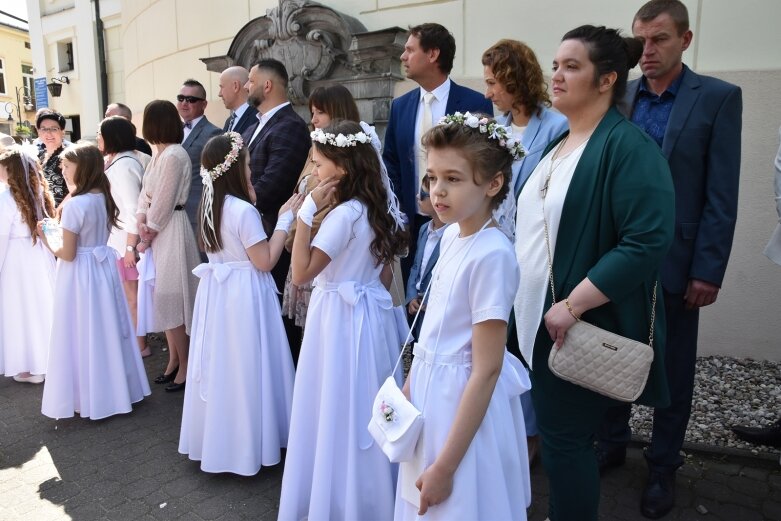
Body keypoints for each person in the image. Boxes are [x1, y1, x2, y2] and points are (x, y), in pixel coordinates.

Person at [514, 26, 675, 521]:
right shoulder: (560, 143)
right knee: (562, 443)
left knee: (565, 444)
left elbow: (646, 240)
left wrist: (573, 305)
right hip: (535, 316)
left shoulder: (628, 147)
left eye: (572, 66)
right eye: (556, 64)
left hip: (572, 324)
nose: (556, 75)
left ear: (606, 79)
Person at [596, 2, 743, 518]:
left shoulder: (719, 99)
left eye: (659, 39)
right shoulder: (621, 95)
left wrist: (708, 268)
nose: (647, 51)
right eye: (641, 41)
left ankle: (662, 467)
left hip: (680, 262)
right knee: (613, 352)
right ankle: (612, 442)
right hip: (620, 257)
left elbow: (722, 194)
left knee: (673, 369)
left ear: (686, 38)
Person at [394, 113, 530, 520]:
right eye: (432, 178)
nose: (437, 191)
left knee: (454, 502)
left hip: (462, 406)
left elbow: (486, 369)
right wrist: (410, 387)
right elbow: (435, 327)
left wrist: (447, 466)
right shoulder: (451, 234)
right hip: (430, 394)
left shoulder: (492, 254)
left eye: (453, 179)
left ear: (492, 184)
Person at [278, 120, 408, 520]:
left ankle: (337, 497)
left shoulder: (342, 216)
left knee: (335, 403)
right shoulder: (378, 209)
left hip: (337, 319)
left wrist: (305, 215)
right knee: (369, 400)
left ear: (344, 166)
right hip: (374, 317)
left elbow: (301, 273)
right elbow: (384, 275)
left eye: (319, 164)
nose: (314, 171)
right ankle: (378, 493)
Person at [178, 132, 300, 475]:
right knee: (248, 365)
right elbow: (264, 261)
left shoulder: (208, 205)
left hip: (218, 296)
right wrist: (285, 220)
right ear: (234, 168)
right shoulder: (242, 210)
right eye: (247, 164)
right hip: (244, 295)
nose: (251, 169)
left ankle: (221, 439)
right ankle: (251, 442)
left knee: (225, 367)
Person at [38, 143, 151, 419]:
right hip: (101, 271)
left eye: (67, 165)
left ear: (84, 167)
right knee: (108, 329)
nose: (62, 171)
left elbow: (68, 252)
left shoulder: (76, 204)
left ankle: (90, 394)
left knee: (81, 330)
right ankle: (117, 388)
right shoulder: (102, 196)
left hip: (80, 274)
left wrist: (46, 237)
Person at [382, 23, 493, 280]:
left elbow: (482, 161)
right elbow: (392, 163)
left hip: (459, 223)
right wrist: (399, 213)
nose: (402, 56)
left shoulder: (474, 103)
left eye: (410, 50)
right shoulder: (400, 106)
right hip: (413, 223)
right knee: (414, 300)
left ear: (432, 55)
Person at [242, 58, 310, 354]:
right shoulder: (255, 125)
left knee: (282, 329)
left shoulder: (290, 126)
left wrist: (232, 204)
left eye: (250, 80)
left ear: (266, 85)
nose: (246, 86)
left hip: (274, 237)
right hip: (254, 235)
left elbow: (272, 188)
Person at [281, 84, 360, 338]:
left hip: (322, 248)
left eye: (319, 113)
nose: (312, 119)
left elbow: (325, 204)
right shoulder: (313, 149)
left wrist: (297, 231)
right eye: (312, 112)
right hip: (302, 240)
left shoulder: (346, 164)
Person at [137, 100, 201, 393]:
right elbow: (144, 197)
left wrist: (146, 232)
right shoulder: (158, 154)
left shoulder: (174, 155)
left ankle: (186, 365)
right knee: (164, 299)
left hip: (171, 229)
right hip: (158, 231)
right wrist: (141, 219)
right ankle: (174, 359)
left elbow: (163, 202)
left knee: (173, 298)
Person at [482, 38, 568, 240]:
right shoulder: (493, 127)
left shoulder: (558, 127)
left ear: (514, 80)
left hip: (535, 237)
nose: (487, 94)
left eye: (492, 83)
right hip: (494, 236)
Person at [0, 143, 56, 384]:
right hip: (39, 254)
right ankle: (45, 362)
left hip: (16, 259)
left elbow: (1, 236)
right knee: (41, 307)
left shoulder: (6, 198)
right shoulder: (39, 192)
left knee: (21, 310)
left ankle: (30, 366)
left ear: (11, 171)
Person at [97, 116, 150, 358]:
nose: (98, 138)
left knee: (133, 296)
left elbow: (131, 208)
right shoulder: (122, 161)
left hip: (125, 244)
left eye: (101, 133)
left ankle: (140, 345)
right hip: (122, 242)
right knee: (130, 295)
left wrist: (130, 248)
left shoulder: (125, 164)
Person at [177, 79, 222, 230]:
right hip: (173, 213)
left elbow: (217, 178)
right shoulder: (173, 131)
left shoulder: (213, 133)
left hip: (197, 213)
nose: (184, 103)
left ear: (204, 104)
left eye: (191, 100)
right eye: (181, 98)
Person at [404, 182, 446, 340]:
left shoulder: (453, 235)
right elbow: (416, 267)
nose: (417, 197)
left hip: (434, 310)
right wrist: (412, 296)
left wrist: (429, 302)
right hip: (418, 308)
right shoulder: (424, 229)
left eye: (422, 194)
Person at [36, 110, 69, 208]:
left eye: (54, 129)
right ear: (38, 132)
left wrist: (57, 212)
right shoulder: (37, 156)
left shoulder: (69, 156)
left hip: (62, 213)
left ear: (62, 132)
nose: (48, 133)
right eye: (44, 129)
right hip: (41, 214)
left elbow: (77, 189)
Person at [218, 66, 258, 134]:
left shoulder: (257, 117)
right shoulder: (229, 121)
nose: (219, 94)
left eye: (222, 87)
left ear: (235, 86)